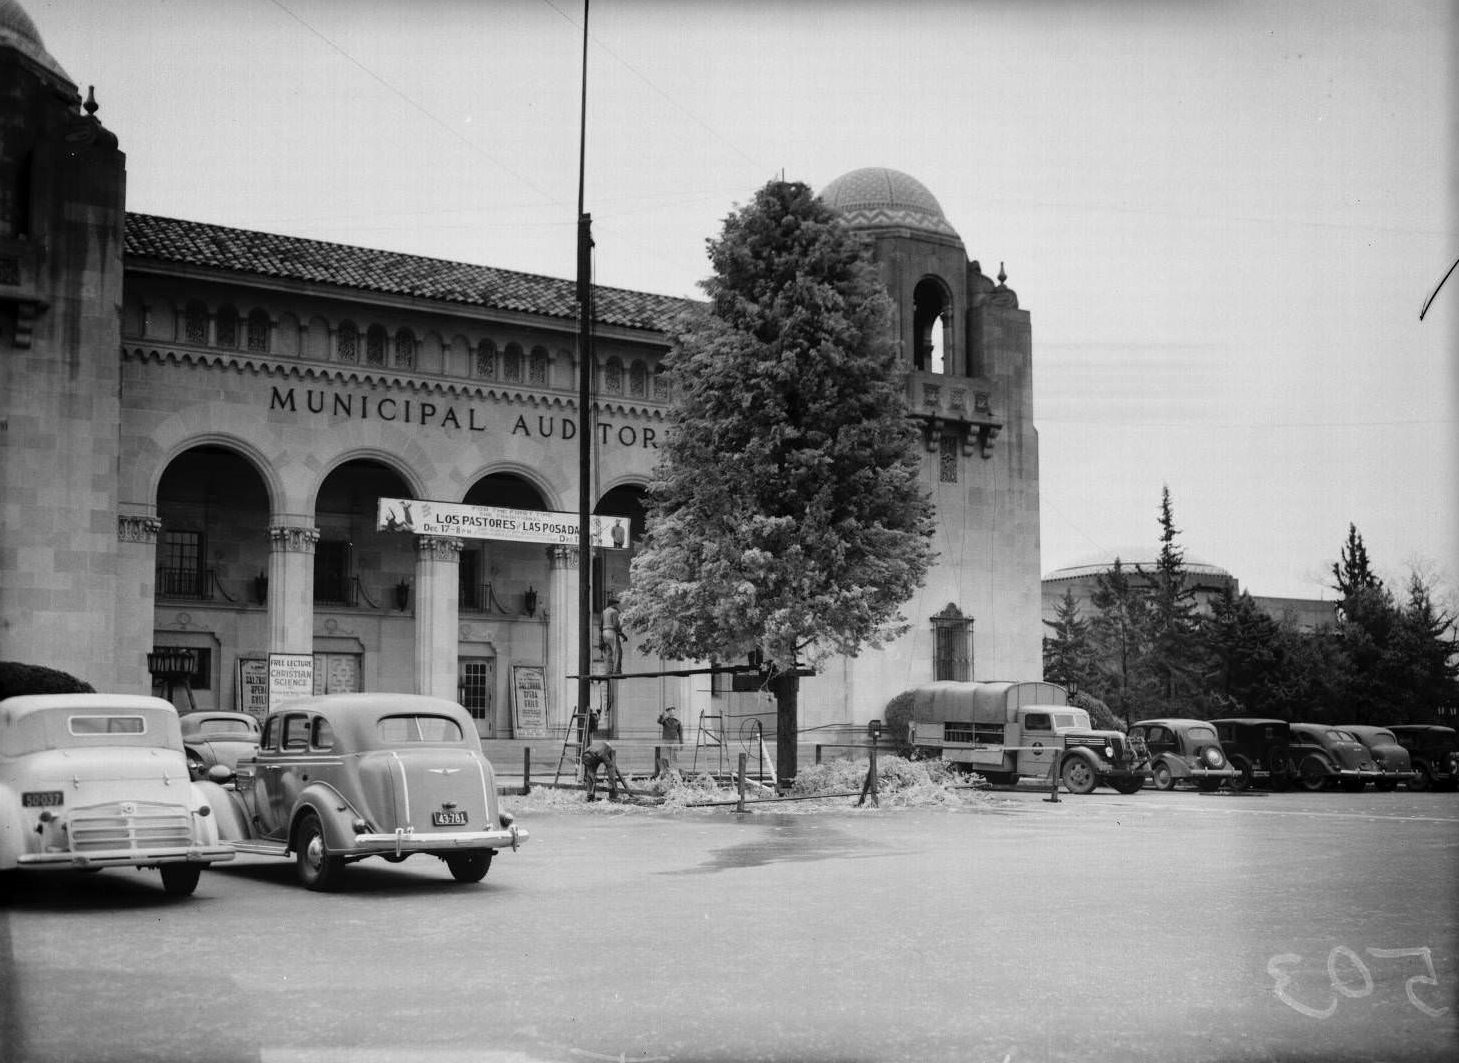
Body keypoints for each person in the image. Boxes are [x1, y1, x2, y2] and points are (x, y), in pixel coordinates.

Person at [600, 597, 626, 673]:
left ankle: (608, 671)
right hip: (612, 632)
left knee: (608, 652)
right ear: (613, 604)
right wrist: (622, 635)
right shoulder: (614, 612)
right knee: (617, 652)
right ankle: (616, 671)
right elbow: (615, 625)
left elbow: (601, 625)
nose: (617, 606)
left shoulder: (604, 612)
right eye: (616, 604)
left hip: (604, 633)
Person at [656, 706, 683, 775]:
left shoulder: (677, 722)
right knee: (665, 756)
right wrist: (662, 715)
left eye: (673, 711)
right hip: (666, 741)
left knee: (674, 756)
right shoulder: (665, 721)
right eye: (670, 711)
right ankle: (665, 770)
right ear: (668, 712)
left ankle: (675, 770)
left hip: (674, 741)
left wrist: (681, 743)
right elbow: (659, 721)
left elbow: (680, 733)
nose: (672, 712)